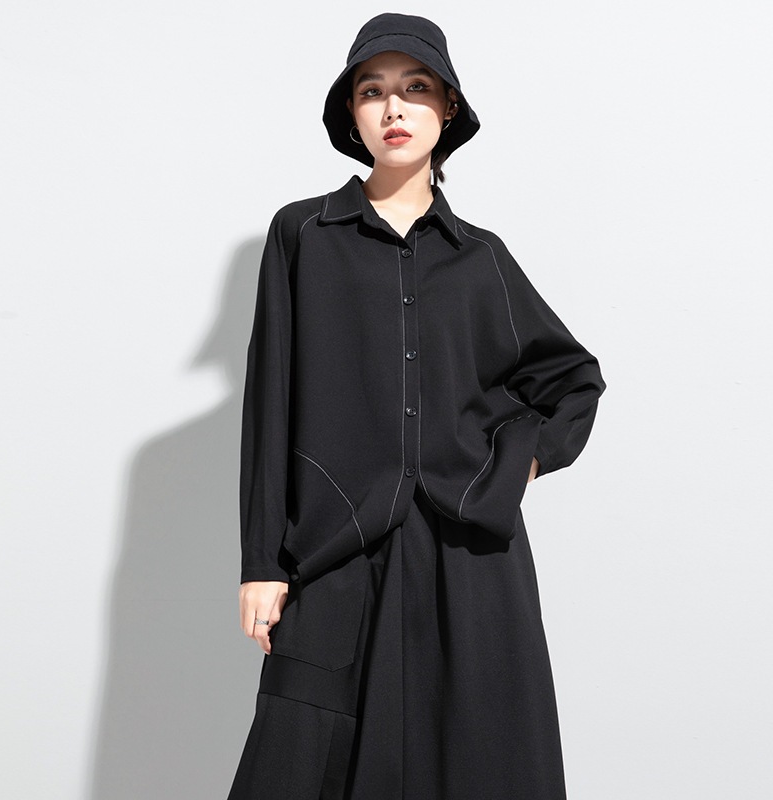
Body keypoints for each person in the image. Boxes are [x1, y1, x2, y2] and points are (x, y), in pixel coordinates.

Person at [227, 12, 606, 800]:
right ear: (351, 113)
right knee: (302, 766)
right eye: (373, 91)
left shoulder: (480, 258)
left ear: (448, 108)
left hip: (469, 556)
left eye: (416, 88)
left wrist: (517, 466)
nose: (394, 108)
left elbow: (572, 379)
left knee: (478, 763)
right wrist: (262, 563)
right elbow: (269, 405)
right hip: (336, 545)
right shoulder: (303, 235)